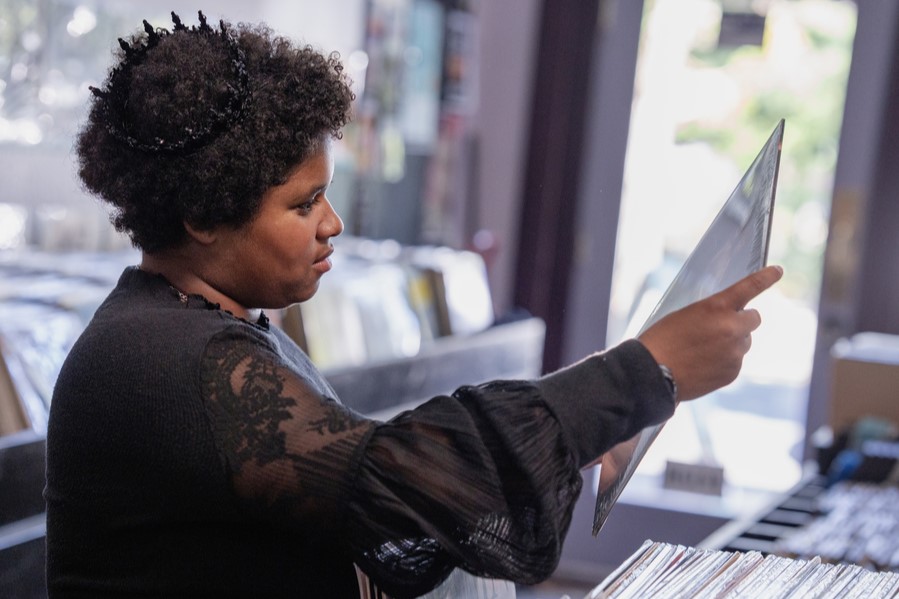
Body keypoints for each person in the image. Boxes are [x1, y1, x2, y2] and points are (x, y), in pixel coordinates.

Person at [44, 11, 783, 599]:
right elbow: (388, 476)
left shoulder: (204, 326)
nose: (332, 223)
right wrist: (643, 371)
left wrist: (599, 420)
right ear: (204, 215)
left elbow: (363, 471)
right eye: (303, 204)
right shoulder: (168, 361)